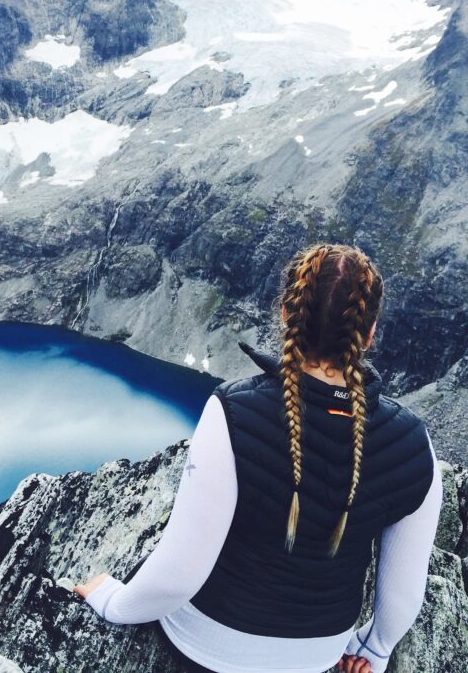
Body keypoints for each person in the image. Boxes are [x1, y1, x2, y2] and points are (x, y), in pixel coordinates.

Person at [73, 243, 443, 673]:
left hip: (206, 643)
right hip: (318, 654)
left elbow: (179, 574)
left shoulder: (233, 411)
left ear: (286, 314)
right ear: (370, 332)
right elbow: (402, 597)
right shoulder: (414, 442)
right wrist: (374, 650)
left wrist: (111, 601)